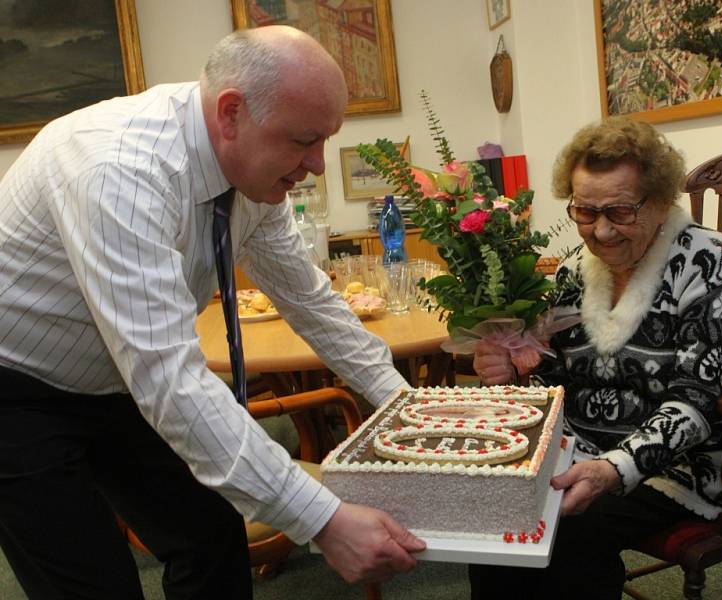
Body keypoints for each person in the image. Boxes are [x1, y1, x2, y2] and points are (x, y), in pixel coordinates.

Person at [0, 26, 425, 600]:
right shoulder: (118, 169)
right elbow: (170, 379)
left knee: (210, 532)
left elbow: (312, 303)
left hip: (117, 383)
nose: (319, 165)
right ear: (231, 113)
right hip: (17, 390)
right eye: (305, 141)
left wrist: (410, 409)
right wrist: (325, 520)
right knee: (95, 583)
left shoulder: (253, 175)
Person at [469, 117, 722, 599]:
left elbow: (696, 402)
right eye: (584, 211)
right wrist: (513, 369)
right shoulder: (573, 271)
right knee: (496, 516)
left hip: (677, 465)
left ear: (660, 201)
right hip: (577, 446)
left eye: (620, 212)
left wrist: (613, 469)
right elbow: (556, 375)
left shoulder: (706, 260)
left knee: (573, 534)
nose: (600, 232)